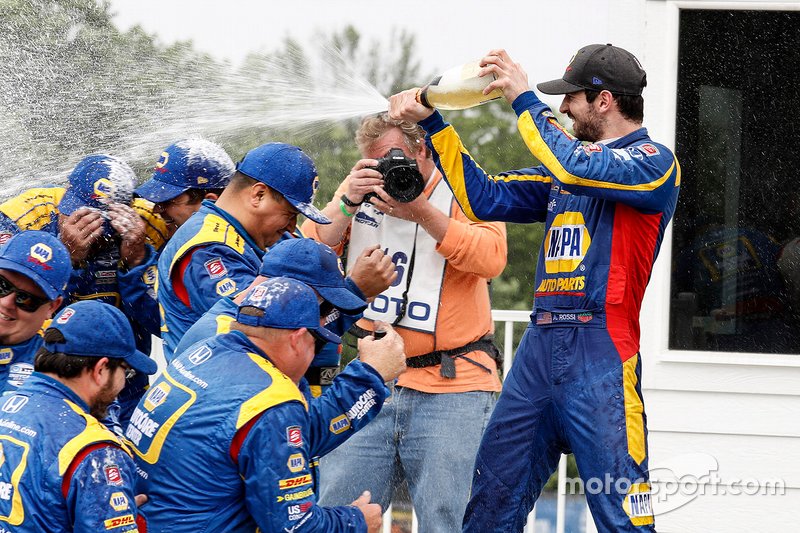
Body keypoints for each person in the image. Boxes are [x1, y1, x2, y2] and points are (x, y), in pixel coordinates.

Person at [389, 44, 681, 532]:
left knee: (621, 515)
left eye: (572, 98)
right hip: (539, 349)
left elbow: (575, 166)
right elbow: (483, 198)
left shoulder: (653, 162)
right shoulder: (562, 168)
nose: (564, 107)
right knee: (489, 505)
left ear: (603, 101)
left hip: (603, 353)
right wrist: (436, 124)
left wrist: (524, 98)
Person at [302, 113, 507, 532]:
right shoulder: (359, 189)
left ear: (422, 149)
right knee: (342, 512)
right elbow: (306, 255)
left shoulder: (466, 187)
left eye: (393, 159)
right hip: (370, 379)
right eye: (374, 162)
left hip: (454, 386)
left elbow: (492, 258)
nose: (385, 172)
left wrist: (422, 213)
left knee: (448, 521)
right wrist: (345, 203)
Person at [129, 277, 404, 532]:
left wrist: (368, 376)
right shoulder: (271, 400)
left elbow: (292, 438)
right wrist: (355, 521)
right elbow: (293, 525)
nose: (314, 354)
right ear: (297, 339)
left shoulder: (207, 351)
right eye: (317, 342)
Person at [0, 154, 161, 426]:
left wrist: (137, 261)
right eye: (76, 211)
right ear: (65, 193)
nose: (88, 228)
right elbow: (24, 315)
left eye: (102, 223)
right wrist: (66, 258)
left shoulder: (146, 224)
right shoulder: (25, 215)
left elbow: (165, 323)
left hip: (123, 384)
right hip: (40, 377)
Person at [157, 142, 331, 352]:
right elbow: (267, 333)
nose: (292, 225)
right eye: (290, 214)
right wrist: (356, 290)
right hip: (216, 381)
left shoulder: (266, 234)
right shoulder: (207, 249)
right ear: (258, 195)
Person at [0, 300, 157, 532]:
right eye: (126, 370)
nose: (124, 382)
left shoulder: (5, 405)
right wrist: (116, 516)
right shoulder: (95, 451)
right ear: (101, 370)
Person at [0, 231, 71, 395]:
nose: (6, 303)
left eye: (26, 299)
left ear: (53, 307)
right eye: (2, 285)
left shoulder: (60, 372)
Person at [134, 138, 235, 238]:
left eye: (168, 201)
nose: (156, 210)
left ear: (209, 202)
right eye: (158, 202)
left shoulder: (218, 252)